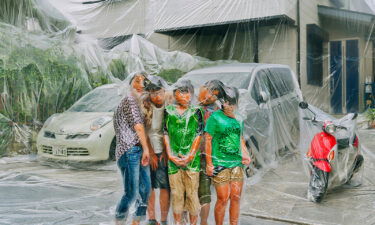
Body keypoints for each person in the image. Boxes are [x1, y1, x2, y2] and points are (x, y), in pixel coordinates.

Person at [205, 86, 251, 225]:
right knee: (223, 198)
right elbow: (208, 140)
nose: (230, 106)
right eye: (227, 103)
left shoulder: (239, 118)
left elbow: (240, 138)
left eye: (232, 103)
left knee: (236, 196)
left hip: (236, 162)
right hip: (220, 163)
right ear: (222, 102)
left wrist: (245, 153)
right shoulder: (215, 118)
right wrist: (209, 163)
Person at [163, 80, 203, 225]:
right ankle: (178, 223)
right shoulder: (168, 111)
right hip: (173, 162)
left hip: (192, 162)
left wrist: (190, 156)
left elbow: (199, 134)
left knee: (192, 194)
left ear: (192, 94)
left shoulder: (196, 111)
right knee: (177, 194)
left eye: (187, 92)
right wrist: (170, 155)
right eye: (180, 91)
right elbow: (165, 133)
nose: (184, 95)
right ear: (174, 94)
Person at [113, 72, 151, 225]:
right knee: (131, 193)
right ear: (130, 84)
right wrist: (147, 149)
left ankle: (136, 221)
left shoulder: (138, 102)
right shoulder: (129, 100)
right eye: (137, 81)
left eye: (144, 82)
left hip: (136, 151)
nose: (141, 85)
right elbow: (138, 127)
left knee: (145, 189)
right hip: (129, 151)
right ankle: (119, 221)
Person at [142, 76, 170, 225]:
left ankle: (164, 220)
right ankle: (152, 218)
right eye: (152, 93)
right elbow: (143, 131)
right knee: (150, 185)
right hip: (148, 150)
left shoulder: (169, 106)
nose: (156, 96)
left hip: (164, 149)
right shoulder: (145, 106)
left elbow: (169, 131)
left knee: (165, 185)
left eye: (159, 92)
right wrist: (151, 153)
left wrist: (166, 151)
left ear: (164, 91)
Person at [197, 80, 225, 225]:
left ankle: (204, 222)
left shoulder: (210, 111)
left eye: (214, 96)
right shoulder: (218, 109)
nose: (209, 97)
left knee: (204, 194)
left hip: (205, 157)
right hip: (210, 157)